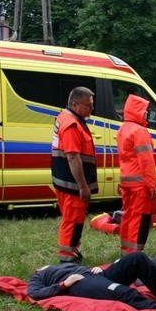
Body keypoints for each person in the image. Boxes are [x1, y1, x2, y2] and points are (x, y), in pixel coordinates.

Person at [27, 252, 156, 311]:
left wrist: (94, 268)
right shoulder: (37, 277)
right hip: (81, 284)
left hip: (96, 274)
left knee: (137, 258)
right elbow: (35, 293)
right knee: (122, 291)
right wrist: (65, 284)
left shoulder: (61, 265)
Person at [51, 86, 97, 263]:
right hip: (71, 184)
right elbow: (72, 157)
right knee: (72, 220)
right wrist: (83, 186)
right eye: (88, 105)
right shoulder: (71, 124)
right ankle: (67, 260)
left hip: (66, 181)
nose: (92, 109)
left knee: (74, 219)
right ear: (75, 104)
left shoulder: (66, 117)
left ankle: (73, 251)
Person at [117, 95, 156, 255]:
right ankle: (135, 255)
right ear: (136, 111)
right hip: (140, 184)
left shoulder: (123, 129)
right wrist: (151, 185)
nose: (146, 114)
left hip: (126, 182)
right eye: (144, 111)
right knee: (140, 219)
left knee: (128, 216)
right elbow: (146, 162)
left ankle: (126, 250)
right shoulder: (139, 131)